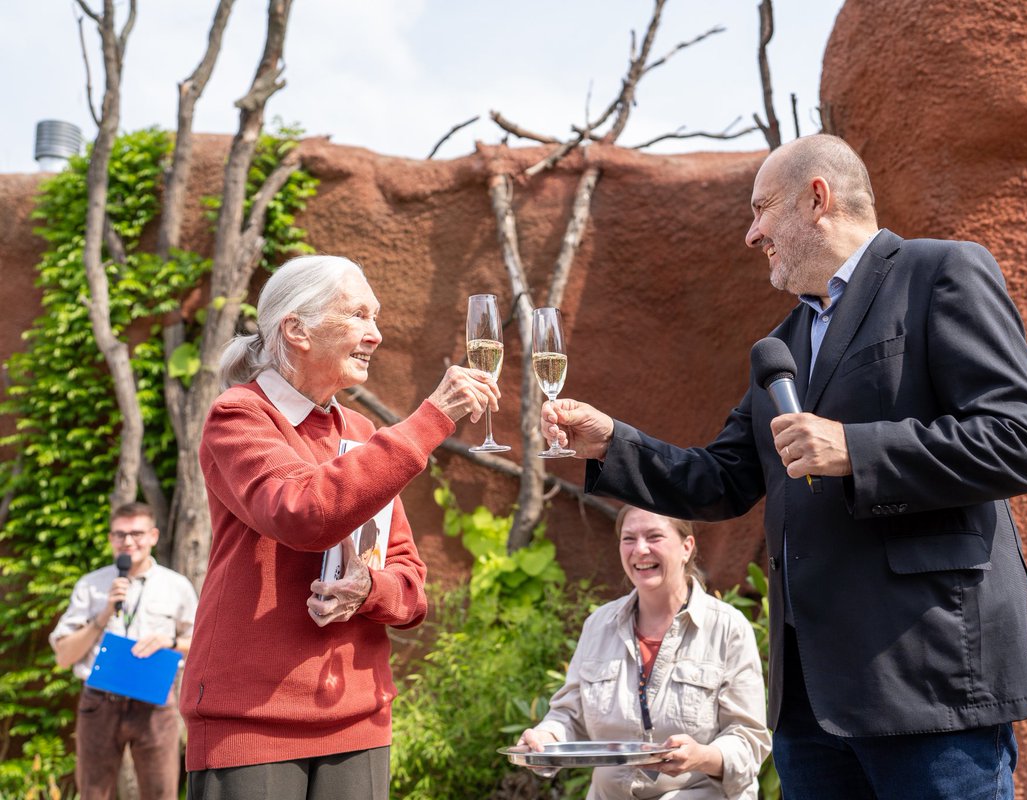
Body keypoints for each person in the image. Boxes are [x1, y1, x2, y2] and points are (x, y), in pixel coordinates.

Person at [540, 134, 1027, 799]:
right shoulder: (782, 346)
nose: (752, 234)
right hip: (811, 706)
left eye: (761, 210)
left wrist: (858, 449)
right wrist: (611, 442)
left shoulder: (940, 273)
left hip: (928, 682)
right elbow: (721, 478)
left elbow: (1019, 439)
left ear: (818, 199)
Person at [181, 255, 500, 799]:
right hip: (251, 719)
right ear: (296, 329)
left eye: (376, 318)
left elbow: (410, 586)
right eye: (358, 315)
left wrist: (367, 589)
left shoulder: (360, 431)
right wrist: (430, 420)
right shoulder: (238, 416)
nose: (376, 334)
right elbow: (301, 513)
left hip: (358, 718)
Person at [517, 506, 770, 799]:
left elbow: (749, 741)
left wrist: (701, 756)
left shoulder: (727, 627)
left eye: (654, 537)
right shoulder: (599, 625)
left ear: (687, 547)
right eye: (628, 539)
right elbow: (569, 715)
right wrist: (545, 738)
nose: (640, 549)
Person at [49, 501, 199, 800]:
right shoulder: (91, 585)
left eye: (137, 533)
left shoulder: (176, 586)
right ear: (110, 539)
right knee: (93, 793)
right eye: (120, 534)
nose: (128, 542)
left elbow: (200, 646)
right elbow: (63, 656)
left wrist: (168, 643)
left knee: (161, 793)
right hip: (99, 703)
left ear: (153, 536)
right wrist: (103, 614)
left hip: (155, 704)